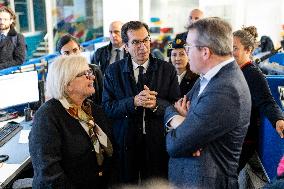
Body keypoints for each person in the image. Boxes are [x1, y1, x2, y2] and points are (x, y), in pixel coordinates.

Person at [165, 17, 251, 189]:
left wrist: (185, 130)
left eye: (188, 47)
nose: (186, 52)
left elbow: (175, 144)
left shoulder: (226, 89)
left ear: (205, 52)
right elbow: (172, 107)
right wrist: (181, 122)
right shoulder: (208, 76)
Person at [102, 21, 180, 184]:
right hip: (125, 143)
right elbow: (107, 108)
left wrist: (156, 105)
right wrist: (133, 102)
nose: (143, 46)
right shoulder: (113, 71)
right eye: (136, 42)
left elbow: (176, 107)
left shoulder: (167, 70)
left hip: (157, 143)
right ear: (125, 46)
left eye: (146, 40)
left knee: (156, 184)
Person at [29, 55, 114, 188]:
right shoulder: (47, 116)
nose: (92, 77)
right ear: (67, 84)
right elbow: (49, 175)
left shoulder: (93, 110)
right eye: (85, 74)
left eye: (90, 72)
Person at [232, 26, 284, 173]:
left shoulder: (253, 74)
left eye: (235, 48)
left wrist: (278, 119)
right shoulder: (232, 71)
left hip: (242, 141)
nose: (230, 52)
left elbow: (267, 101)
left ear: (248, 50)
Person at [56, 34, 103, 105]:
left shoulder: (94, 70)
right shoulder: (59, 77)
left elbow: (102, 99)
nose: (72, 55)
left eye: (75, 50)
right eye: (66, 53)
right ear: (60, 56)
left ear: (80, 49)